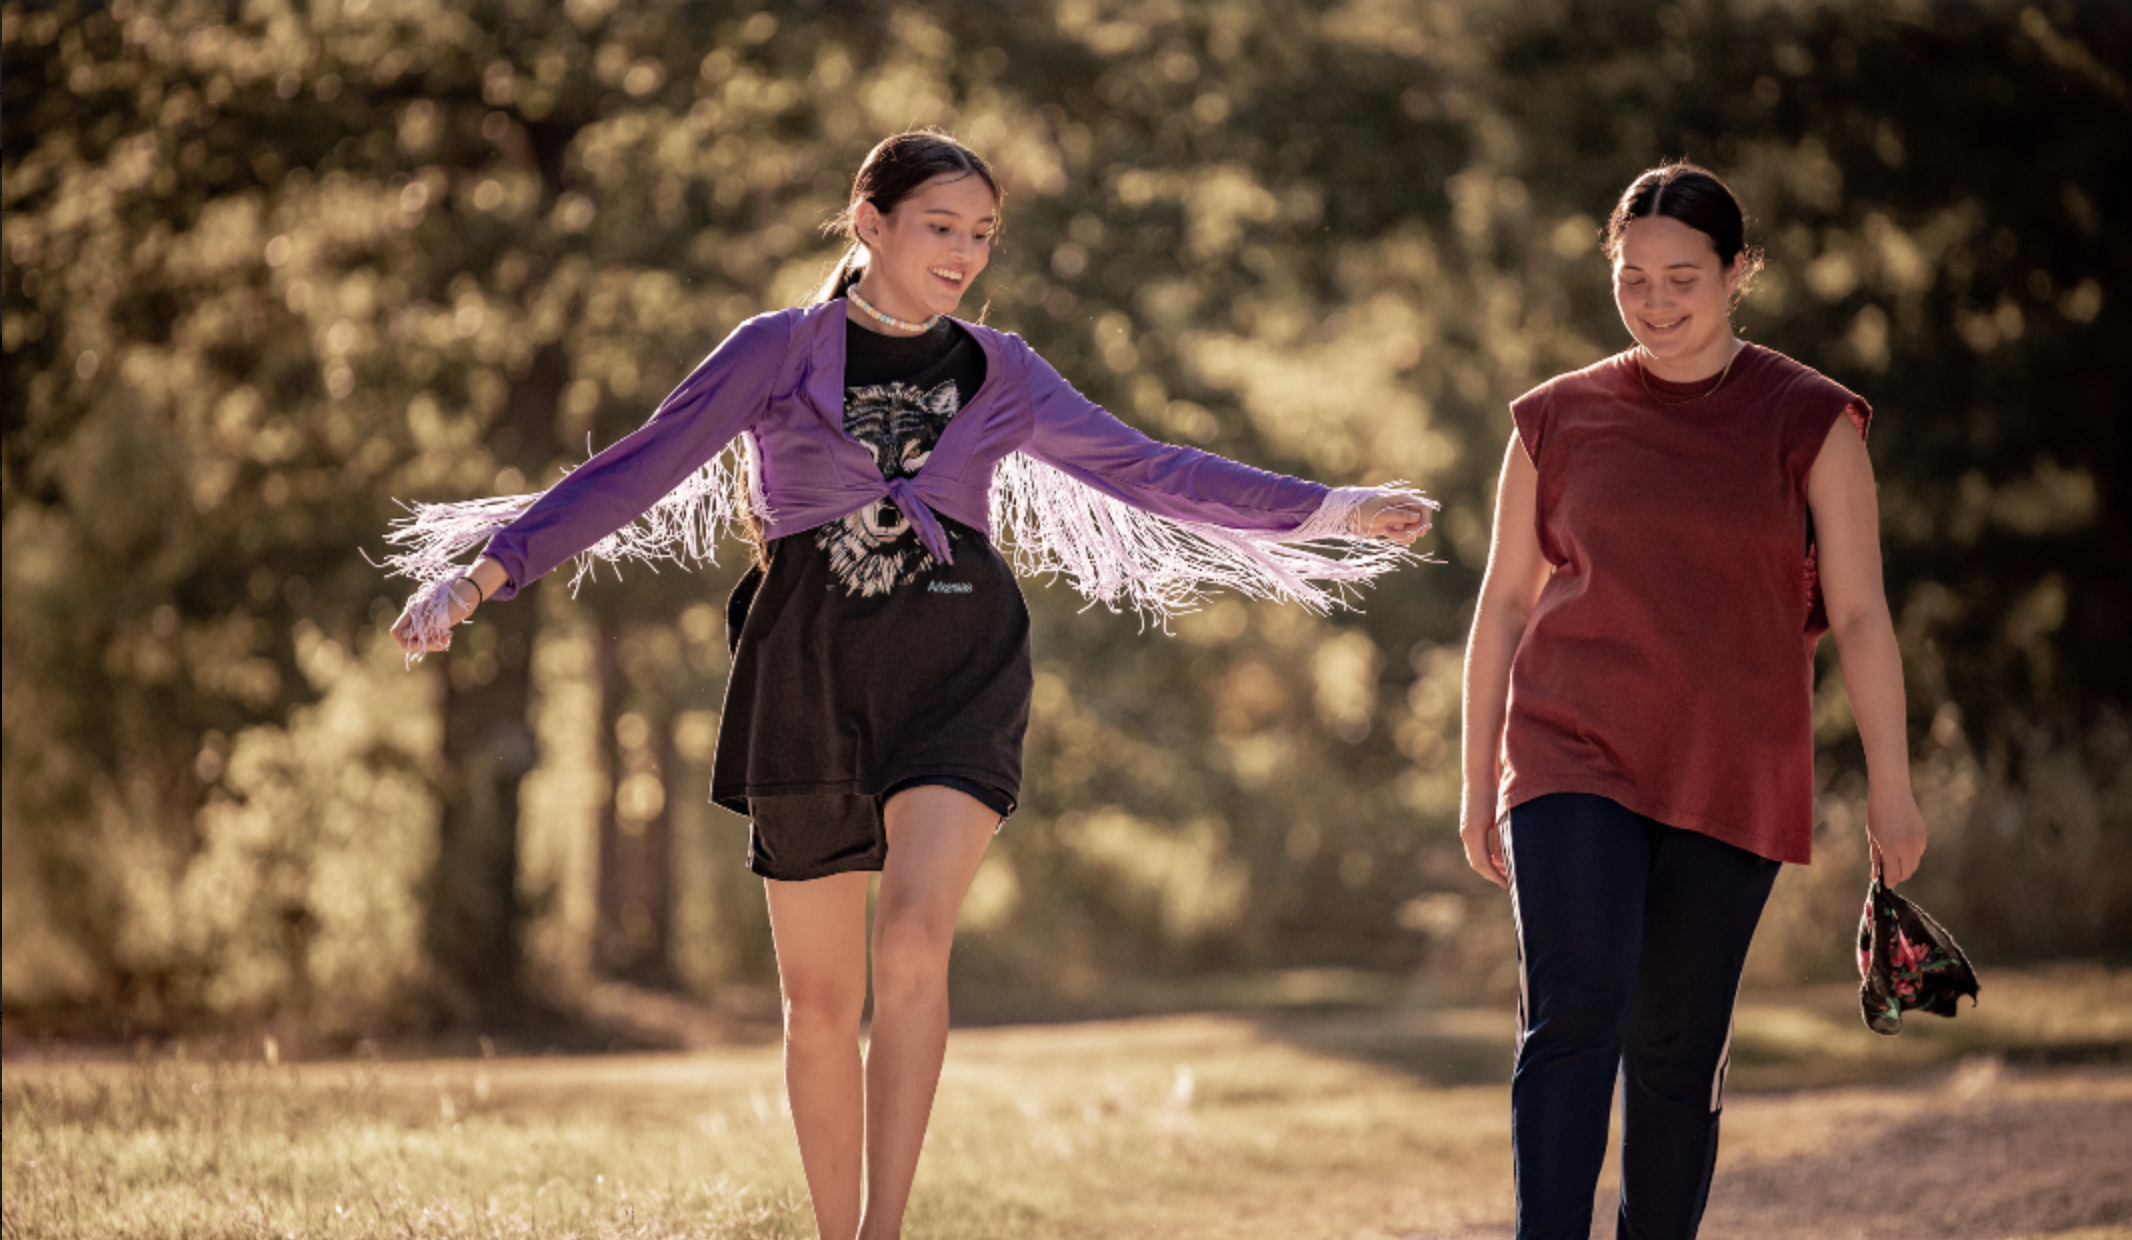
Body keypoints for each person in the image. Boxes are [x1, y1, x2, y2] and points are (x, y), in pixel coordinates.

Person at [385, 130, 1432, 1240]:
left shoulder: (1003, 371)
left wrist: (1329, 508)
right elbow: (642, 461)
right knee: (822, 1003)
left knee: (914, 939)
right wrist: (490, 568)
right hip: (805, 672)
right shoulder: (778, 350)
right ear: (867, 220)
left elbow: (1151, 467)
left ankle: (886, 1231)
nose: (965, 253)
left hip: (957, 664)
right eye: (941, 227)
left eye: (981, 234)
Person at [1457, 162, 1928, 1240]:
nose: (1655, 303)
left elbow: (1858, 614)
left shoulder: (1810, 420)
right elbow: (1501, 607)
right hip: (1569, 750)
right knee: (1570, 1018)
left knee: (1674, 1048)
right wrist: (1475, 778)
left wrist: (1890, 789)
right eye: (1632, 279)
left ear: (1735, 273)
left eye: (1682, 278)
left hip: (1732, 765)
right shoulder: (1552, 420)